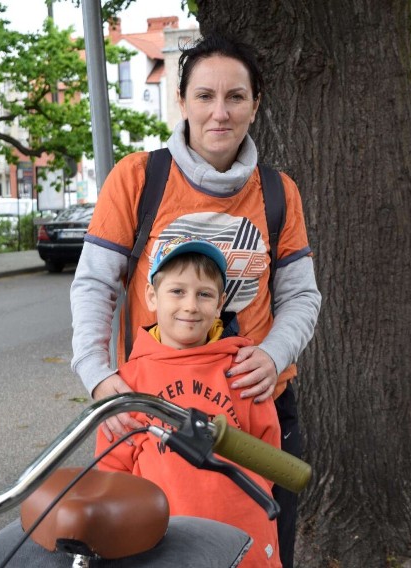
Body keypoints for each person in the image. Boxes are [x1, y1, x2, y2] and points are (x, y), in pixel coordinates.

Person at [70, 33, 321, 568]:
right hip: (155, 410)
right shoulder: (139, 178)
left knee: (259, 551)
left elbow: (301, 295)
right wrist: (96, 374)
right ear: (181, 102)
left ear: (256, 104)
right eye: (204, 96)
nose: (220, 112)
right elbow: (95, 283)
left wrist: (274, 354)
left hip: (257, 414)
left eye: (235, 96)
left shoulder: (280, 193)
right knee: (149, 553)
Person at [95, 235, 282, 567]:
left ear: (220, 302)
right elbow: (113, 473)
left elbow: (269, 459)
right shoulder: (130, 382)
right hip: (164, 547)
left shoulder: (241, 369)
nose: (191, 306)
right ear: (152, 296)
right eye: (177, 291)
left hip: (245, 543)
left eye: (204, 294)